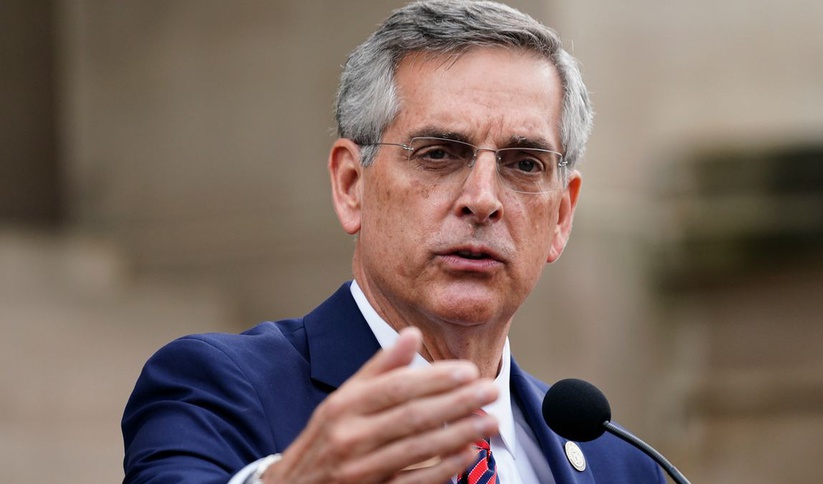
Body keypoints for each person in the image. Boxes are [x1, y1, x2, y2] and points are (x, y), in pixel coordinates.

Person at [122, 1, 665, 483]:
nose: (483, 199)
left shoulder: (621, 463)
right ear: (351, 185)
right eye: (438, 154)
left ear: (562, 216)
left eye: (524, 164)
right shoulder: (216, 388)